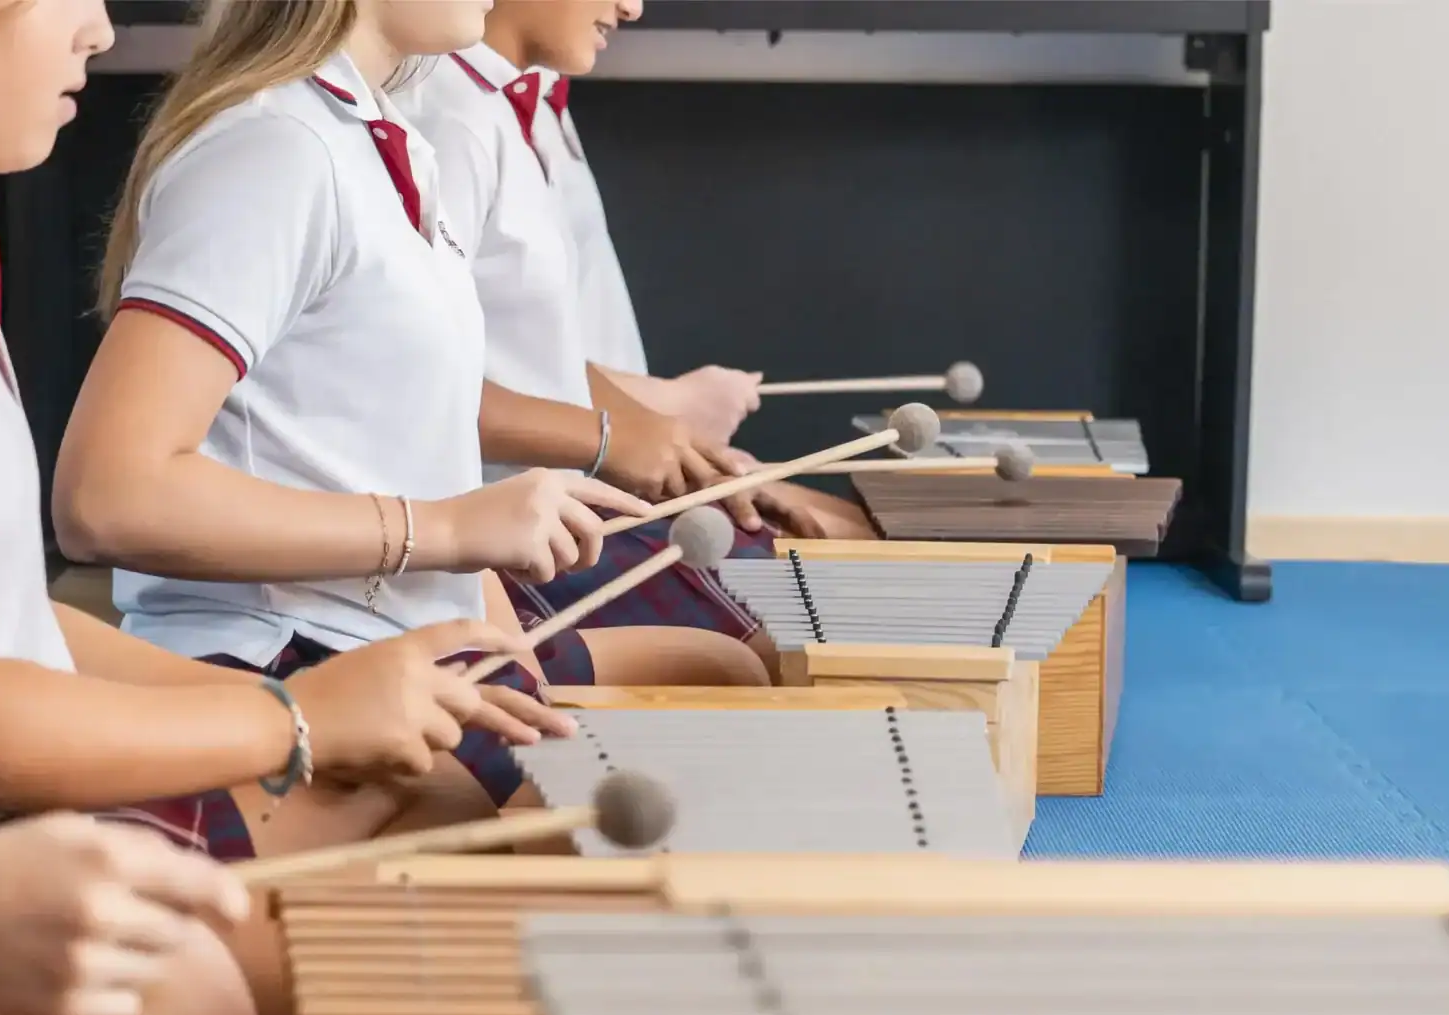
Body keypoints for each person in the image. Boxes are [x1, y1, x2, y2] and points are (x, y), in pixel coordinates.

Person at [0, 0, 579, 1015]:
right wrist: (287, 713)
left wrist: (310, 714)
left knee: (513, 863)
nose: (101, 27)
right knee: (399, 985)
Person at [55, 0, 773, 744]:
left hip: (398, 638)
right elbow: (108, 496)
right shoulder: (274, 149)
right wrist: (446, 529)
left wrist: (492, 618)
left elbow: (404, 450)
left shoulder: (380, 136)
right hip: (289, 656)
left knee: (730, 674)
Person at [391, 2, 839, 677]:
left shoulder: (500, 107)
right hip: (509, 535)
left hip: (560, 509)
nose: (632, 6)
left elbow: (535, 361)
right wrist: (615, 436)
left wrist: (667, 445)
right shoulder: (442, 117)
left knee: (835, 577)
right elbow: (414, 388)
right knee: (802, 648)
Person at [536, 68, 879, 539]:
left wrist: (671, 442)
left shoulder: (533, 98)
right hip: (564, 503)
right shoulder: (457, 126)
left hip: (615, 469)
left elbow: (528, 349)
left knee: (867, 532)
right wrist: (660, 413)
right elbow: (482, 373)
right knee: (862, 551)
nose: (631, 8)